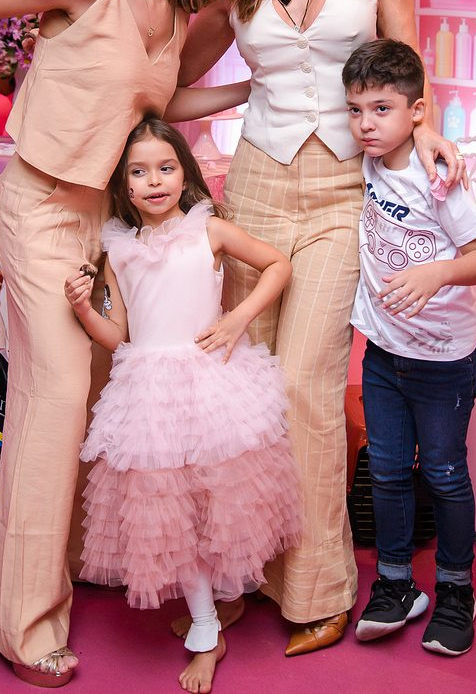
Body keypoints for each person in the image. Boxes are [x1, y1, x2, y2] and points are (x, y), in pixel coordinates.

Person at [0, 0, 232, 686]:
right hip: (38, 210)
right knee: (55, 401)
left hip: (103, 224)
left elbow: (159, 102)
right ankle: (21, 625)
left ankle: (60, 563)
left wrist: (255, 89)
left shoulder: (175, 12)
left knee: (96, 398)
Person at [165, 0, 465, 656]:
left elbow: (408, 70)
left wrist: (426, 133)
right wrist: (243, 95)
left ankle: (318, 588)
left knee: (303, 386)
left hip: (339, 194)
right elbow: (173, 78)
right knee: (241, 388)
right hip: (256, 188)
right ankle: (237, 574)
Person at [65, 117, 300, 693]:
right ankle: (205, 627)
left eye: (165, 168)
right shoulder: (119, 250)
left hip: (210, 382)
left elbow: (278, 264)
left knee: (216, 501)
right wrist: (84, 310)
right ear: (123, 185)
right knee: (171, 509)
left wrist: (237, 318)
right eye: (139, 172)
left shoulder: (208, 230)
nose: (154, 181)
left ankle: (222, 604)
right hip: (149, 393)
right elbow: (119, 335)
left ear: (184, 172)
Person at [343, 39, 476, 657]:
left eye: (381, 109)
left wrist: (437, 272)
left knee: (443, 474)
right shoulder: (365, 162)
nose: (365, 124)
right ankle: (396, 584)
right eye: (356, 110)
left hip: (443, 362)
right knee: (386, 472)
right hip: (384, 357)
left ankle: (457, 591)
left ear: (415, 111)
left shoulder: (438, 179)